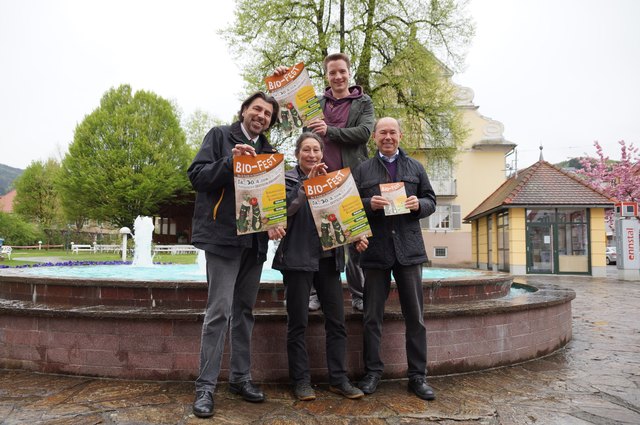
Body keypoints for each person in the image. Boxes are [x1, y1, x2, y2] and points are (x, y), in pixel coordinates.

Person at [187, 92, 283, 418]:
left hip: (254, 244)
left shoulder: (270, 152)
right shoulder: (219, 136)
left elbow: (272, 199)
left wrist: (274, 222)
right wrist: (230, 162)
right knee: (219, 313)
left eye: (267, 113)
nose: (261, 115)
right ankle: (205, 388)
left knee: (244, 311)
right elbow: (197, 177)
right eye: (256, 109)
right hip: (223, 239)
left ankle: (241, 378)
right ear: (244, 110)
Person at [274, 53, 375, 312]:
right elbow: (288, 112)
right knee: (317, 234)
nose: (338, 76)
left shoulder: (363, 102)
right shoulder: (317, 102)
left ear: (348, 73)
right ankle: (314, 293)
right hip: (318, 178)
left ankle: (358, 293)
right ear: (327, 76)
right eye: (332, 73)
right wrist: (285, 79)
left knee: (352, 237)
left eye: (342, 71)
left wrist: (330, 131)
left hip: (349, 177)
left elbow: (364, 133)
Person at [272, 132, 365, 401]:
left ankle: (339, 379)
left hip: (329, 260)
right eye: (306, 150)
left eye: (316, 150)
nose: (312, 155)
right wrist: (306, 187)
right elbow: (282, 212)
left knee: (337, 322)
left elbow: (346, 216)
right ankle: (301, 381)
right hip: (298, 259)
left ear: (322, 153)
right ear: (297, 153)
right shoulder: (287, 179)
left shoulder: (334, 180)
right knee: (297, 323)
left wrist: (357, 235)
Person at [352, 117, 438, 401]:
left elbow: (431, 200)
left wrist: (418, 205)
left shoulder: (416, 167)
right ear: (374, 137)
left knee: (415, 317)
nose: (387, 137)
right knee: (371, 317)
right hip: (376, 251)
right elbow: (351, 207)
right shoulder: (363, 170)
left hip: (409, 250)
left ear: (400, 135)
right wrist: (368, 204)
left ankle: (417, 376)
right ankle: (373, 372)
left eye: (392, 132)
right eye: (382, 133)